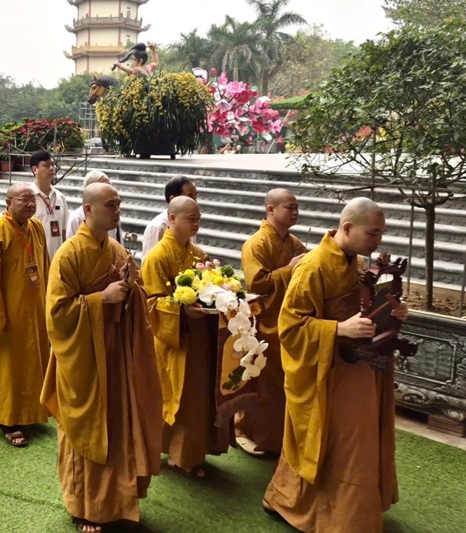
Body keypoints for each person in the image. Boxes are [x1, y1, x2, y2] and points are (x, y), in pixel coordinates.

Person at [263, 198, 406, 532]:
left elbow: (368, 309)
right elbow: (290, 327)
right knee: (341, 442)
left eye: (381, 234)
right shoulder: (312, 266)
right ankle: (328, 514)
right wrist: (339, 329)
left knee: (357, 441)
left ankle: (311, 504)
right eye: (373, 233)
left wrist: (394, 311)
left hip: (360, 366)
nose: (378, 241)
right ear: (348, 227)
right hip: (327, 372)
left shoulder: (359, 264)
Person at [41, 182, 163, 533]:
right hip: (84, 358)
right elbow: (57, 314)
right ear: (89, 210)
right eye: (111, 205)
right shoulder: (69, 254)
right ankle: (84, 507)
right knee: (86, 430)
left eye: (119, 204)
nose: (117, 211)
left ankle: (117, 503)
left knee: (118, 426)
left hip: (116, 356)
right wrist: (101, 299)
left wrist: (130, 291)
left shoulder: (117, 250)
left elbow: (138, 295)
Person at [140, 196, 227, 476]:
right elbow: (150, 303)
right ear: (172, 218)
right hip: (174, 339)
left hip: (199, 337)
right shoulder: (157, 257)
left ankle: (189, 452)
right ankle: (175, 454)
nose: (196, 224)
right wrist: (181, 310)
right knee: (177, 398)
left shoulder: (198, 254)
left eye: (198, 218)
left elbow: (211, 287)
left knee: (198, 397)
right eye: (191, 218)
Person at [0, 182, 50, 448]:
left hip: (34, 308)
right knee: (9, 366)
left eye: (32, 200)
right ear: (8, 203)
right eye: (23, 199)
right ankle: (7, 419)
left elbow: (44, 267)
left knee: (33, 362)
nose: (30, 204)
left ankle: (32, 412)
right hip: (9, 312)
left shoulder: (36, 227)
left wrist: (48, 302)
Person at [236, 189, 307, 457]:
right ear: (271, 210)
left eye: (297, 207)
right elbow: (256, 283)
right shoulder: (256, 244)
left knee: (286, 383)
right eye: (290, 207)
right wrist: (290, 269)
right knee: (263, 383)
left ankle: (282, 437)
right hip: (264, 322)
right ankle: (254, 433)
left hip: (289, 321)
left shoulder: (295, 243)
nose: (295, 212)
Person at [140, 175, 199, 258]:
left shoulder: (191, 224)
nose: (195, 202)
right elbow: (149, 262)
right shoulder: (157, 227)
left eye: (195, 196)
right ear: (173, 199)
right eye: (190, 197)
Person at [65, 170, 123, 243]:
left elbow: (119, 242)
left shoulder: (113, 215)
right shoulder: (76, 219)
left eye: (110, 185)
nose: (118, 211)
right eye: (104, 186)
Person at [30, 150, 68, 261]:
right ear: (35, 169)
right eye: (46, 165)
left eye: (53, 165)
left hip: (57, 260)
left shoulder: (60, 197)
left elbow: (65, 230)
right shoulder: (28, 198)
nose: (52, 168)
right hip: (36, 260)